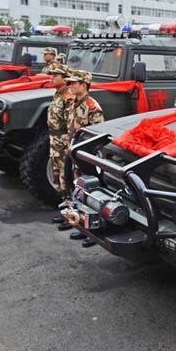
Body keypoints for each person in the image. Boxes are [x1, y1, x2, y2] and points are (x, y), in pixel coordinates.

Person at [64, 70, 105, 247]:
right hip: (74, 154)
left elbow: (98, 136)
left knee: (91, 193)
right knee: (78, 192)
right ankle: (82, 225)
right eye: (70, 83)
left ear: (84, 85)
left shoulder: (92, 106)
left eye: (74, 83)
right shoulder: (73, 103)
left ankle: (95, 230)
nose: (71, 86)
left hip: (86, 157)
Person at [44, 65, 73, 219]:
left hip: (63, 139)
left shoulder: (68, 98)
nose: (52, 77)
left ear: (65, 79)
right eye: (52, 75)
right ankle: (65, 206)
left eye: (56, 75)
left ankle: (71, 212)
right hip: (54, 138)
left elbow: (70, 124)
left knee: (65, 174)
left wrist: (68, 144)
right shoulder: (57, 95)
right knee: (57, 174)